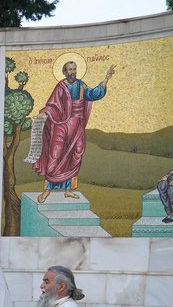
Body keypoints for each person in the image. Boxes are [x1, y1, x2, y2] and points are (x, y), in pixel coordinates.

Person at [33, 61, 115, 204]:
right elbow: (52, 105)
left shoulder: (81, 85)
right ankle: (47, 189)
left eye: (74, 69)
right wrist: (44, 113)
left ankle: (68, 189)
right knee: (55, 154)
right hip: (61, 125)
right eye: (70, 70)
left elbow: (93, 94)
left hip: (77, 125)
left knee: (77, 153)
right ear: (64, 72)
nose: (73, 72)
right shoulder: (61, 86)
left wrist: (106, 79)